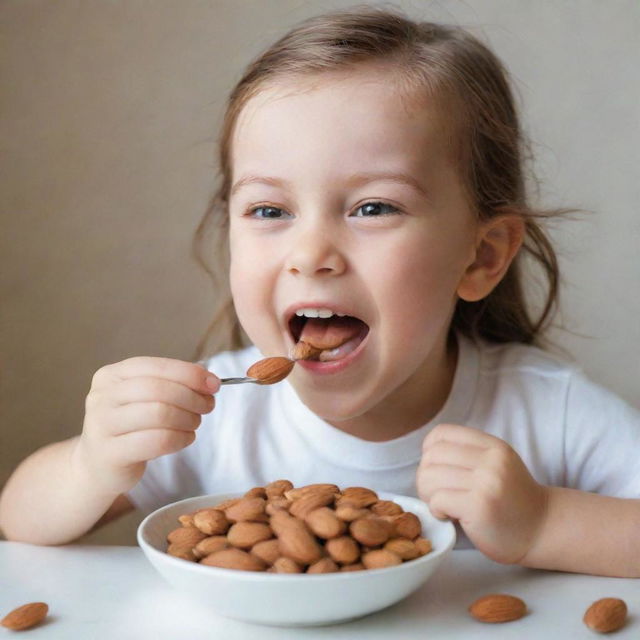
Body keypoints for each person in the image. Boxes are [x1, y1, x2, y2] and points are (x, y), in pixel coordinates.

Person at [1, 8, 638, 578]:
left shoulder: (544, 412)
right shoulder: (215, 417)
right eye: (270, 211)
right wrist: (91, 465)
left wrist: (544, 523)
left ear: (483, 254)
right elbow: (19, 520)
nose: (310, 255)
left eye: (372, 207)